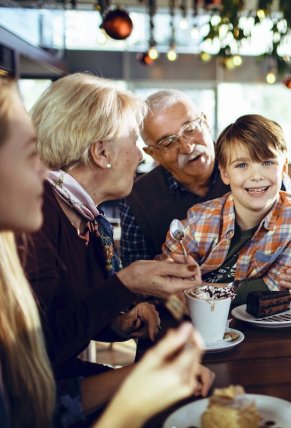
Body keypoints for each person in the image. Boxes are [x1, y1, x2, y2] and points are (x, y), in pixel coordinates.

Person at [0, 78, 213, 428]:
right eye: (134, 139)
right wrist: (125, 286)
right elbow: (34, 363)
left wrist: (118, 321)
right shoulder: (34, 222)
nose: (142, 154)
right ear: (102, 153)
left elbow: (71, 315)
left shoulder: (92, 222)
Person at [119, 90, 291, 300]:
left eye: (190, 128)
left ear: (205, 122)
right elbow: (141, 282)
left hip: (265, 318)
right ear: (153, 153)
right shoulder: (138, 198)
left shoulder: (268, 178)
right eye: (168, 142)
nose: (187, 146)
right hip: (184, 320)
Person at [162, 114, 291, 305]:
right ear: (225, 173)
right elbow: (167, 283)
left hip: (264, 324)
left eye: (267, 162)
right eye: (242, 165)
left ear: (284, 167)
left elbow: (280, 287)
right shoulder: (197, 221)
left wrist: (200, 290)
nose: (256, 176)